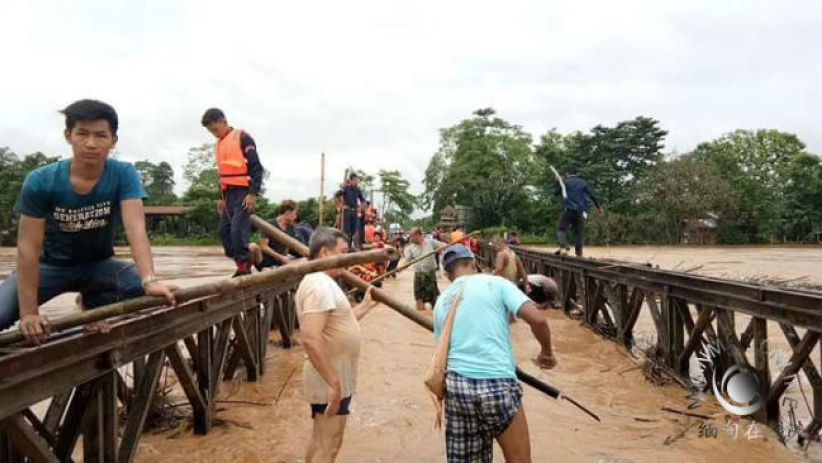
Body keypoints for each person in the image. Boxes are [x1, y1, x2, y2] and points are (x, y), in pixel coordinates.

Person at [0, 99, 177, 345]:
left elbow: (135, 229)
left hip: (99, 266)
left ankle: (92, 301)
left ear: (113, 140)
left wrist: (149, 280)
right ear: (68, 136)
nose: (91, 143)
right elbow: (28, 247)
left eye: (101, 135)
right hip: (50, 268)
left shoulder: (123, 174)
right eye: (82, 134)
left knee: (157, 294)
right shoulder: (40, 181)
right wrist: (29, 313)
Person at [433, 245, 557, 463]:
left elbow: (441, 357)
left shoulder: (441, 302)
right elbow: (538, 320)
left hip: (457, 388)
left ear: (446, 274)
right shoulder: (495, 283)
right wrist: (546, 353)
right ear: (473, 263)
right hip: (497, 384)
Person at [295, 228, 379, 463]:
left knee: (321, 439)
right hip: (329, 377)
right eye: (343, 252)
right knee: (330, 445)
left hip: (333, 375)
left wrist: (365, 306)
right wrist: (333, 382)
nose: (347, 258)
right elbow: (311, 337)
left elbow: (336, 326)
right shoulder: (318, 283)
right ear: (324, 252)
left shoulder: (323, 282)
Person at [201, 108, 265, 277]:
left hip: (244, 192)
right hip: (228, 193)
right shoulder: (219, 144)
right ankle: (245, 259)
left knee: (237, 231)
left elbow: (256, 167)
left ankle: (244, 267)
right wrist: (220, 197)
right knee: (224, 232)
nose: (214, 134)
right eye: (210, 132)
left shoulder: (242, 137)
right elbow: (222, 173)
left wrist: (252, 193)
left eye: (215, 129)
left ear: (223, 121)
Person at [555, 164, 602, 257]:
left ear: (567, 173)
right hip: (580, 211)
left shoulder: (565, 182)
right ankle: (579, 254)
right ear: (578, 173)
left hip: (568, 209)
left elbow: (556, 193)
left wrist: (557, 181)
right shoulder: (583, 183)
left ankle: (564, 246)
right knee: (578, 233)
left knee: (561, 229)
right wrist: (598, 207)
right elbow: (592, 195)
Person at [250, 200, 299, 272]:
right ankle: (247, 270)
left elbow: (288, 247)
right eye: (294, 213)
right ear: (287, 212)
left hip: (281, 263)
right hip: (266, 262)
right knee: (252, 246)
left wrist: (286, 257)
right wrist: (280, 257)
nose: (295, 216)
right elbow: (263, 246)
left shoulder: (291, 227)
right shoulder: (270, 224)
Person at [405, 227, 445, 312]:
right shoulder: (410, 248)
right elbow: (406, 261)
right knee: (418, 297)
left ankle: (434, 317)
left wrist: (441, 247)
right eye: (410, 237)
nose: (411, 239)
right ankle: (421, 317)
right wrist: (400, 267)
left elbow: (443, 245)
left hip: (430, 273)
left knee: (434, 298)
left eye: (412, 237)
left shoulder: (430, 242)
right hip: (419, 274)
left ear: (419, 235)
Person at [341, 174, 365, 249]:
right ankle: (346, 246)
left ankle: (351, 246)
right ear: (351, 180)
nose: (356, 182)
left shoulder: (358, 190)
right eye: (354, 180)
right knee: (347, 230)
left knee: (354, 230)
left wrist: (360, 207)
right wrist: (341, 206)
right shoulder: (346, 188)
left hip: (355, 211)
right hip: (347, 211)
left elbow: (363, 200)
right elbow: (336, 196)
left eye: (357, 180)